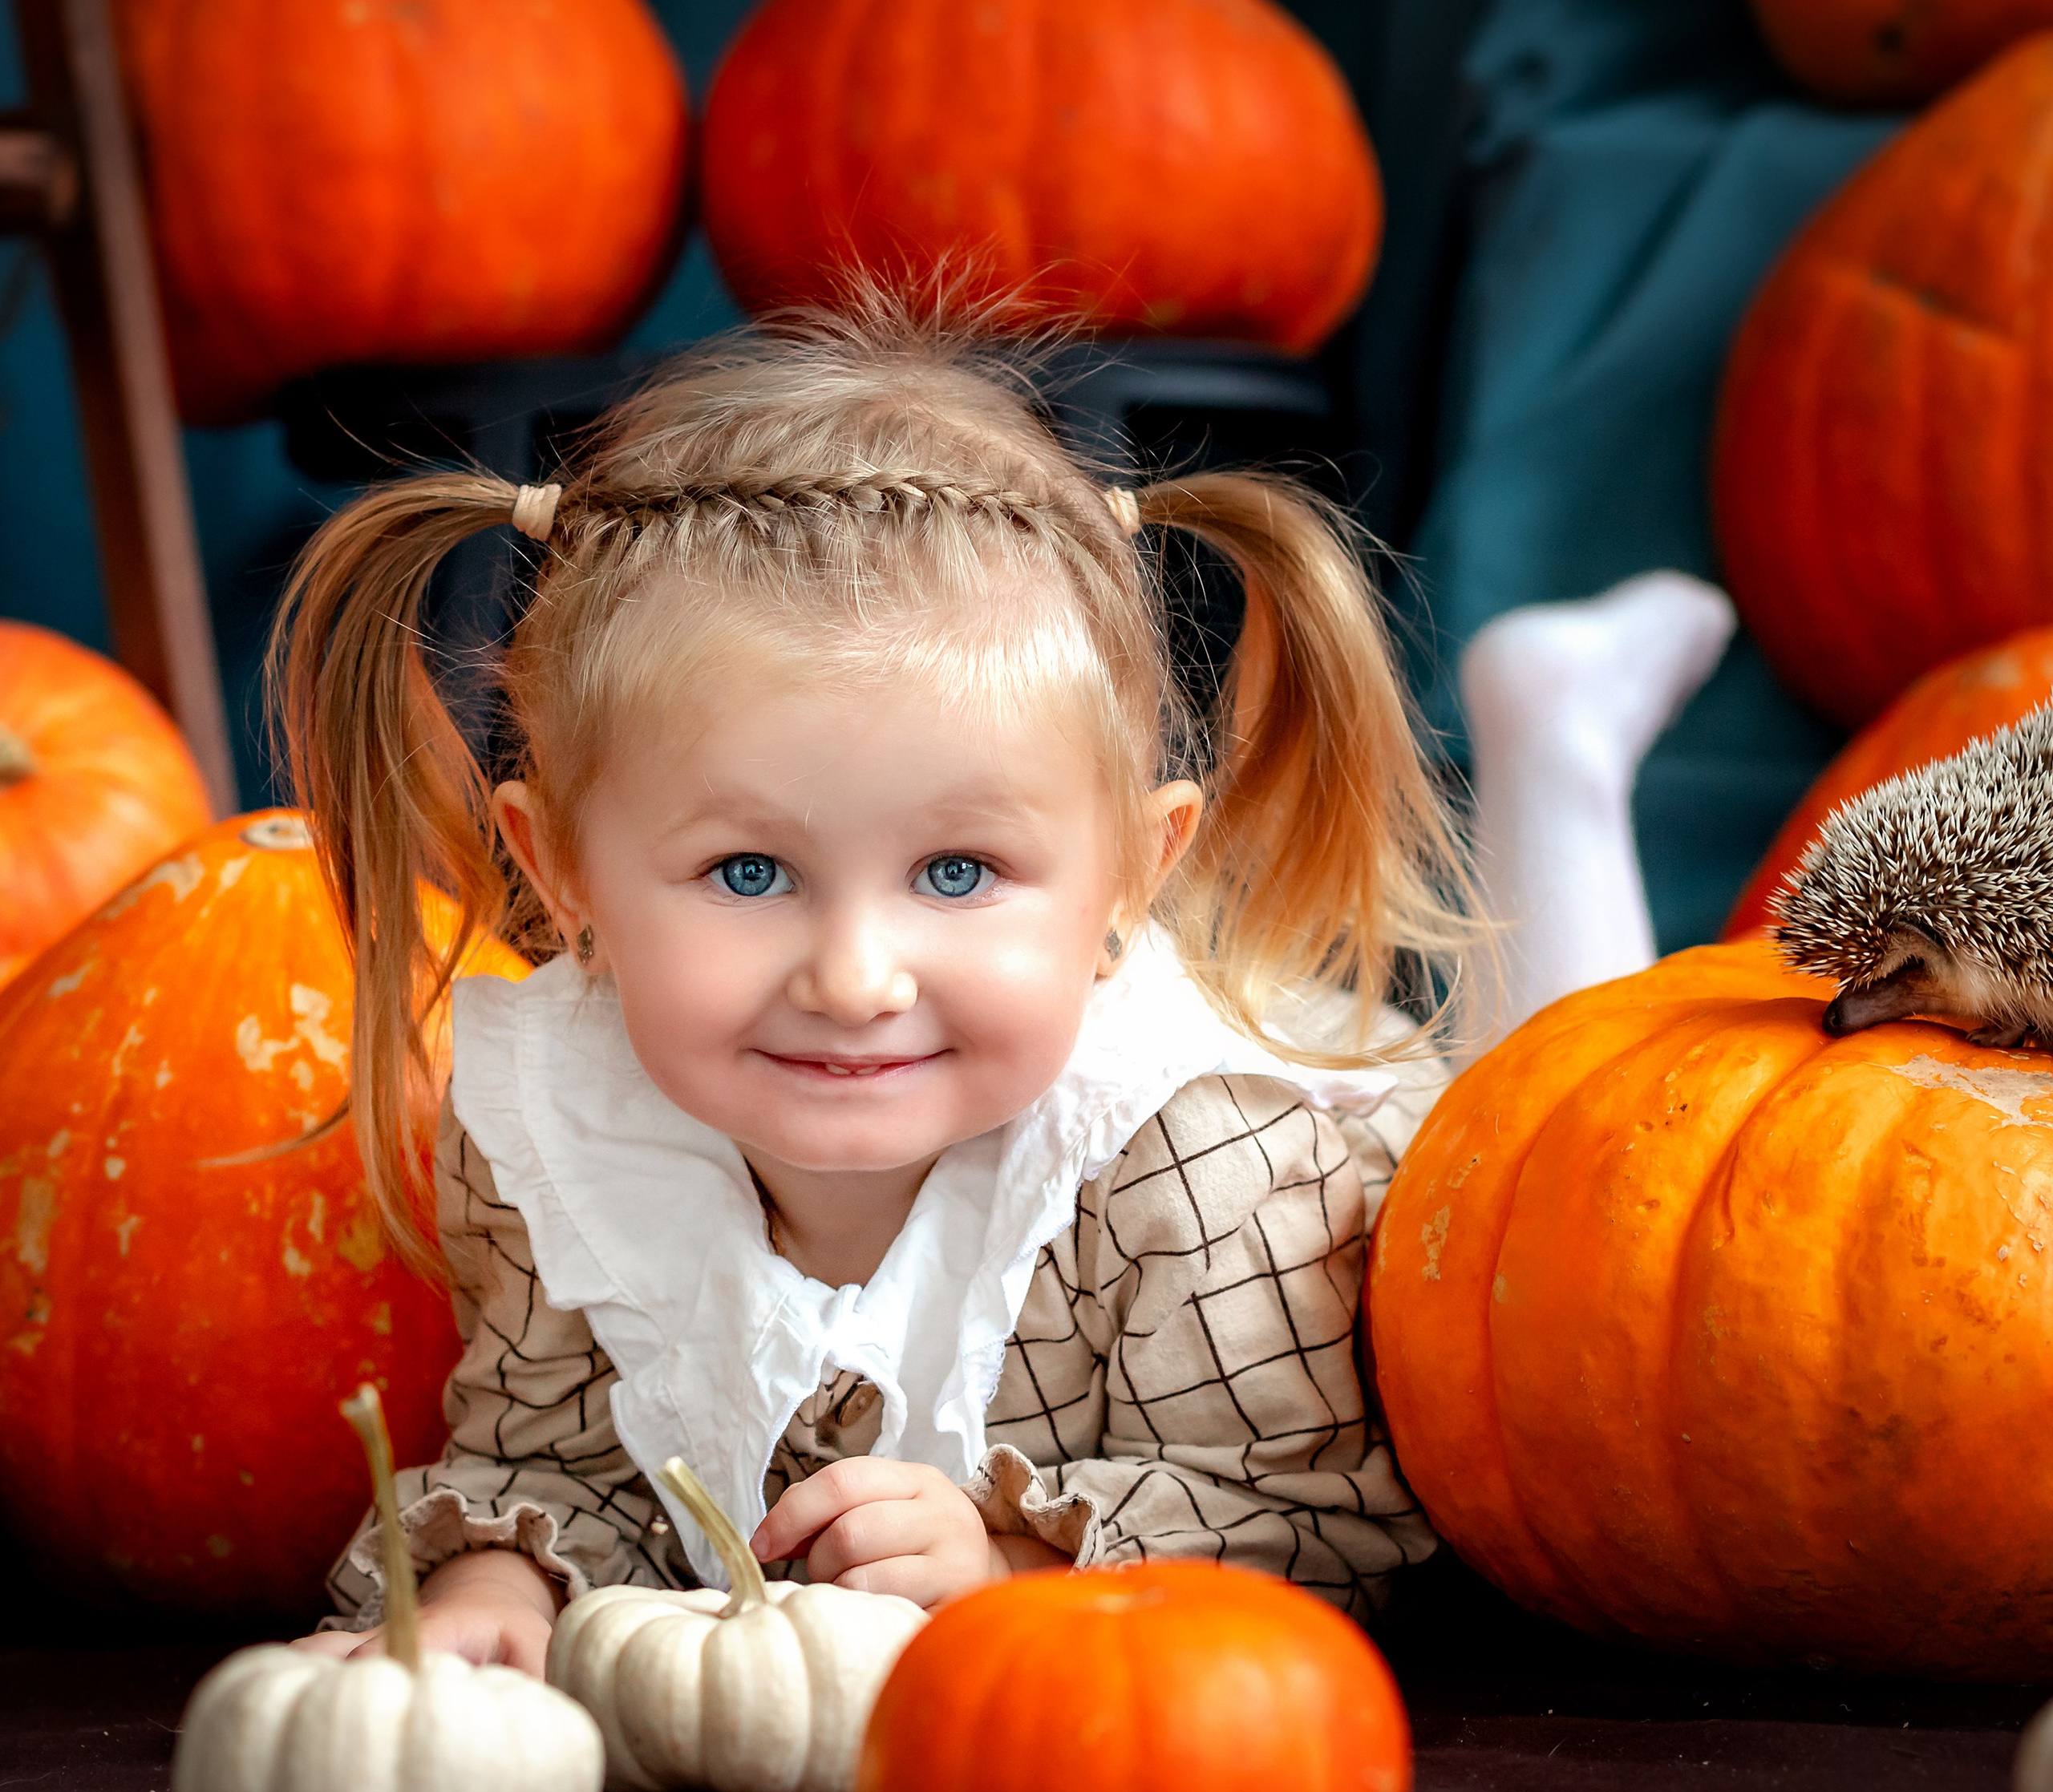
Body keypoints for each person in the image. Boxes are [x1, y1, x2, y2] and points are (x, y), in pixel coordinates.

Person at [285, 305, 1700, 1678]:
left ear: (1135, 875)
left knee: (1581, 1157)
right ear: (565, 873)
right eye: (749, 874)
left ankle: (1554, 747)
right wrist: (502, 1577)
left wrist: (1013, 1565)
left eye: (957, 872)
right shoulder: (564, 1137)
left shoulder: (1213, 1174)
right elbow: (558, 1462)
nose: (855, 980)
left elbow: (1332, 1529)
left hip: (1414, 1166)